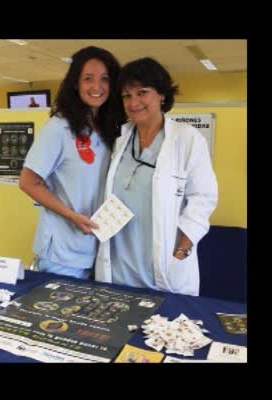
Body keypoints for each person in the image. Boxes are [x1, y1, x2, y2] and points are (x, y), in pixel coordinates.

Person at [94, 57, 218, 296]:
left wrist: (181, 251)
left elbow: (203, 199)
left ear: (162, 95)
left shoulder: (187, 139)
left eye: (142, 92)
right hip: (118, 267)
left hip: (163, 268)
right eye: (127, 95)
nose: (134, 102)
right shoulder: (119, 140)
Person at [19, 46, 125, 279]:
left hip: (97, 249)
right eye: (88, 79)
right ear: (76, 83)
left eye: (105, 79)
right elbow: (28, 182)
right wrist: (71, 215)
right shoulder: (59, 128)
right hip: (62, 254)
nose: (97, 87)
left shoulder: (108, 131)